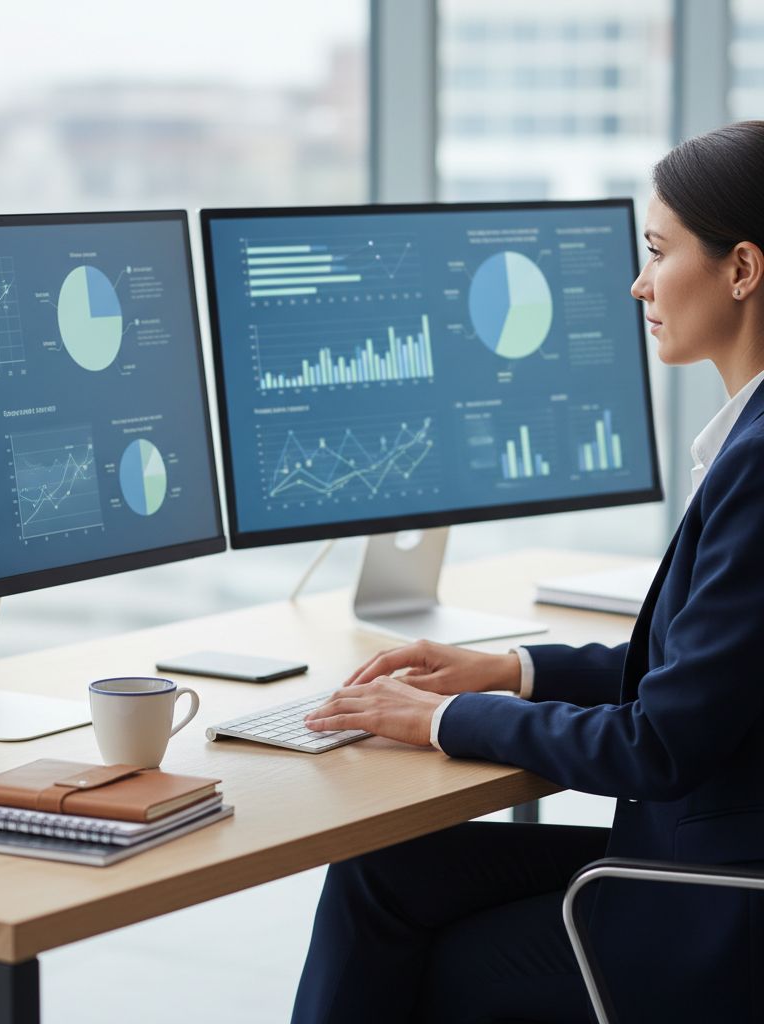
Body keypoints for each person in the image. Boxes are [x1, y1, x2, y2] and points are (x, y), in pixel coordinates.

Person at [291, 120, 764, 1024]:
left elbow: (659, 745)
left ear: (741, 269)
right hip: (706, 855)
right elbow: (703, 680)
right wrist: (511, 671)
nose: (638, 283)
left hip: (718, 910)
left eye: (658, 252)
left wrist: (445, 720)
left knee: (436, 966)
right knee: (381, 874)